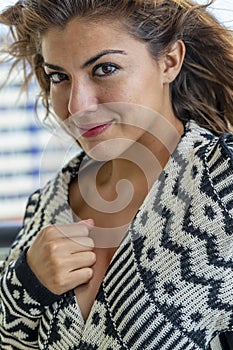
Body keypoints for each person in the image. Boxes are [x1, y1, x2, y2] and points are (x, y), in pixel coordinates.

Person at [0, 0, 233, 349]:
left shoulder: (221, 182)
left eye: (105, 68)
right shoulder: (47, 205)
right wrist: (26, 283)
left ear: (169, 61)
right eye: (59, 77)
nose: (77, 106)